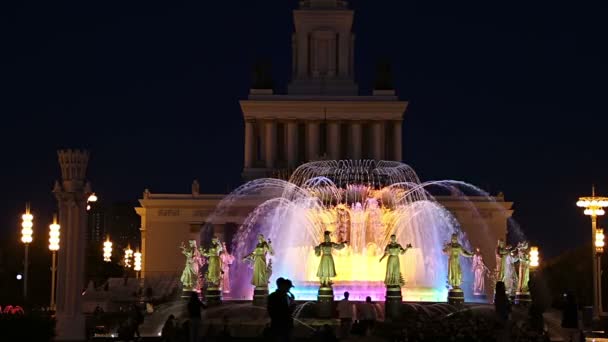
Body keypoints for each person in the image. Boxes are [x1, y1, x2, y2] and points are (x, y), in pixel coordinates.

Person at [267, 277, 295, 341]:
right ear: (283, 286)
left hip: (286, 325)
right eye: (288, 287)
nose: (289, 289)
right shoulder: (273, 297)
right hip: (279, 326)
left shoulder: (287, 296)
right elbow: (272, 312)